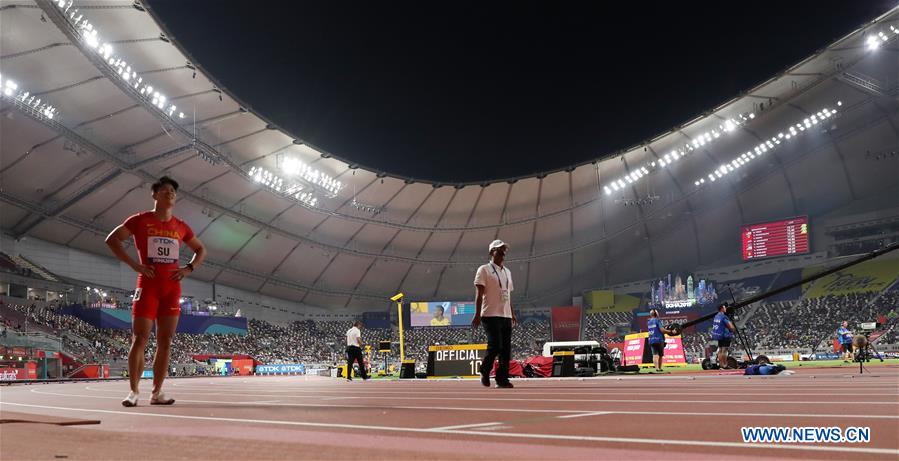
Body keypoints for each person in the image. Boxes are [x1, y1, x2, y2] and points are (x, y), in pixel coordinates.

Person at [105, 176, 206, 407]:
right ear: (154, 194)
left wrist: (189, 268)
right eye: (165, 190)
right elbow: (112, 240)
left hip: (171, 288)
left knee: (166, 341)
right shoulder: (140, 220)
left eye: (173, 191)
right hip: (148, 285)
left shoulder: (181, 226)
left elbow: (201, 250)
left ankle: (157, 392)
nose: (170, 194)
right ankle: (133, 391)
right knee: (139, 338)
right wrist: (135, 265)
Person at [472, 240, 517, 389]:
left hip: (505, 315)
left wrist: (512, 313)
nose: (504, 252)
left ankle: (502, 379)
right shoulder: (484, 270)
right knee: (495, 345)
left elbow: (508, 295)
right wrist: (477, 314)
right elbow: (479, 294)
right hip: (490, 314)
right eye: (500, 250)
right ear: (492, 252)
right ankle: (484, 370)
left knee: (506, 350)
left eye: (505, 250)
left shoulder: (508, 272)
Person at [710, 304, 736, 369]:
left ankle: (721, 365)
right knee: (724, 350)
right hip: (725, 335)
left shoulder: (716, 316)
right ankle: (725, 365)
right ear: (722, 309)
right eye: (724, 307)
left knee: (720, 350)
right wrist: (733, 329)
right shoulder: (724, 317)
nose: (726, 309)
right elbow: (730, 326)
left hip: (719, 335)